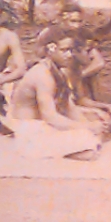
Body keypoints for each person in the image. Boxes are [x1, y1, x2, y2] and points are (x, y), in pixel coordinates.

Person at [9, 27, 104, 160]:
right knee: (86, 140)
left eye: (70, 50)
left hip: (44, 128)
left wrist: (90, 126)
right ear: (51, 49)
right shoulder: (42, 75)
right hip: (30, 132)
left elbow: (70, 107)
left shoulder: (60, 72)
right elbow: (50, 117)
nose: (69, 55)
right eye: (64, 50)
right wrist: (87, 127)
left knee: (93, 127)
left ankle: (77, 148)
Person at [38, 4, 111, 127]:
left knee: (106, 117)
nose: (76, 25)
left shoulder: (78, 55)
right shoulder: (49, 35)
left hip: (72, 98)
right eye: (73, 21)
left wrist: (106, 107)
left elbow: (98, 62)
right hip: (55, 106)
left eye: (79, 21)